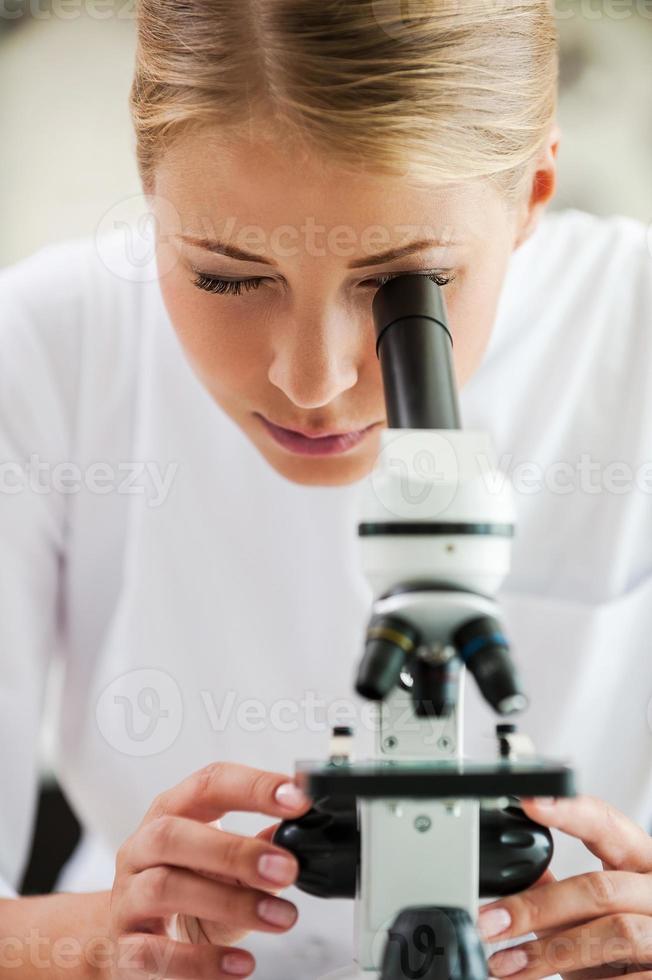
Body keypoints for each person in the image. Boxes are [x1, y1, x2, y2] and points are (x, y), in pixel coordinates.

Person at [1, 1, 652, 978]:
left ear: (532, 193)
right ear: (149, 195)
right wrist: (96, 939)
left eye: (403, 283)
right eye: (227, 277)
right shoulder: (53, 346)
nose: (312, 380)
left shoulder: (630, 338)